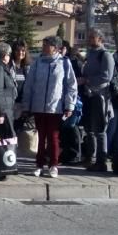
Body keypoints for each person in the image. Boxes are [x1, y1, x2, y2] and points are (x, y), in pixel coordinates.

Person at [21, 36, 77, 178]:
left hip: (55, 107)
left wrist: (69, 105)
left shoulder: (64, 63)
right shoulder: (37, 63)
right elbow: (29, 85)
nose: (44, 47)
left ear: (55, 48)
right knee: (40, 136)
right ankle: (39, 165)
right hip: (38, 106)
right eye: (43, 44)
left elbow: (71, 85)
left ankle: (53, 165)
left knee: (53, 137)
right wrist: (26, 105)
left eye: (47, 45)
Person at [79, 28, 115, 172]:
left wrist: (87, 80)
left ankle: (101, 161)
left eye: (92, 37)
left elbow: (106, 77)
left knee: (100, 130)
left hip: (100, 98)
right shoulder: (90, 55)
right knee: (90, 129)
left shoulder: (105, 56)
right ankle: (90, 157)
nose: (89, 40)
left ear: (100, 39)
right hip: (88, 95)